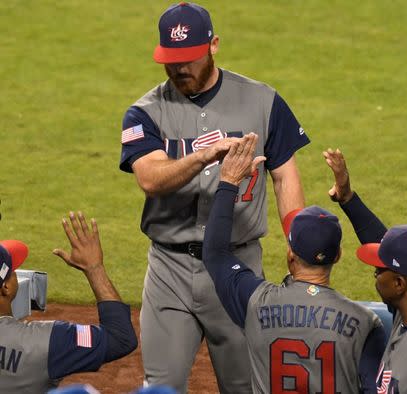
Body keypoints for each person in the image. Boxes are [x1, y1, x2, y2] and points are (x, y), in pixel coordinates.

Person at [119, 2, 310, 392]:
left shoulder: (262, 100)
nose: (179, 68)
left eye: (189, 58)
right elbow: (151, 179)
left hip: (238, 268)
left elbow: (285, 175)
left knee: (245, 385)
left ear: (214, 46)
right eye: (171, 60)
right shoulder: (144, 112)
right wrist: (203, 155)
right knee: (161, 385)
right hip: (169, 270)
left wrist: (299, 244)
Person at [202, 135, 386, 393]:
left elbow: (214, 252)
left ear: (290, 254)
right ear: (338, 256)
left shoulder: (255, 302)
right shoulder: (365, 322)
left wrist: (229, 181)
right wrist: (348, 198)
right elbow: (392, 260)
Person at [325, 148, 407, 393]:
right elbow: (386, 247)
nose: (374, 273)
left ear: (399, 284)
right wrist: (348, 197)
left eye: (379, 271)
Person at [0, 212, 138, 394]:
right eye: (14, 270)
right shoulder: (47, 341)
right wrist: (94, 268)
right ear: (6, 287)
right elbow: (120, 338)